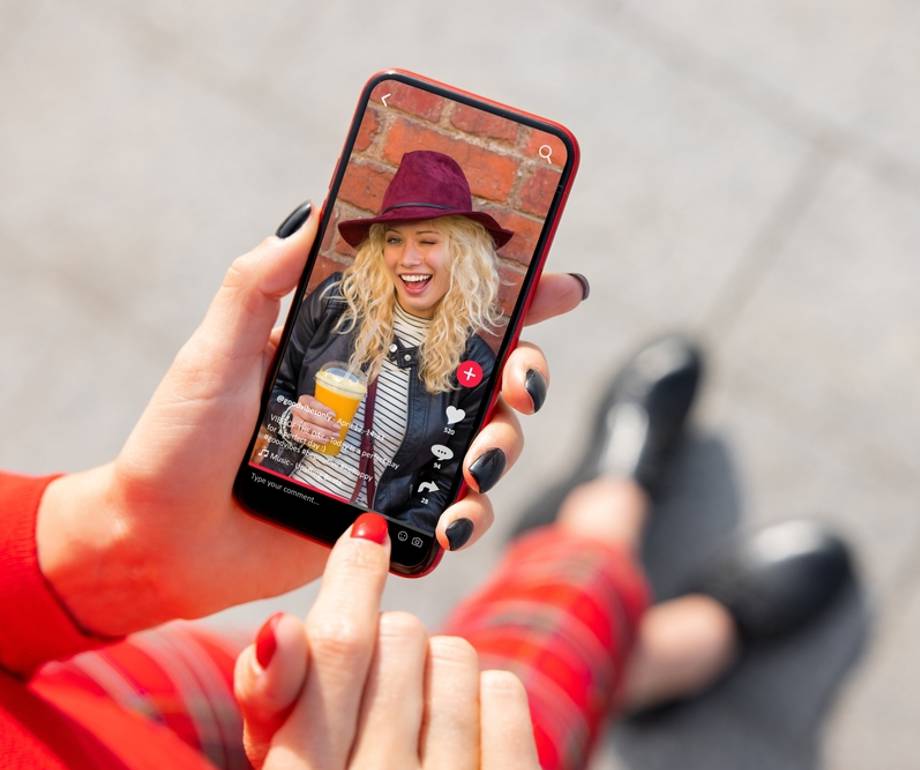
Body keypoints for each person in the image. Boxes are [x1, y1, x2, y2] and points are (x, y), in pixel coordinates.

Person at [0, 205, 851, 770]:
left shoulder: (383, 330)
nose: (414, 261)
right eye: (400, 244)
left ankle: (624, 635)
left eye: (434, 245)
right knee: (490, 709)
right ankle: (611, 560)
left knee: (371, 685)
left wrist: (113, 549)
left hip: (73, 708)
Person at [260, 150, 519, 532]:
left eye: (427, 241)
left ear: (462, 254)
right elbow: (271, 388)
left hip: (362, 537)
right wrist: (290, 420)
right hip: (278, 502)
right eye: (395, 239)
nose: (408, 258)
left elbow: (442, 481)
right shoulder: (336, 303)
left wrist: (393, 540)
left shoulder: (474, 364)